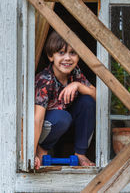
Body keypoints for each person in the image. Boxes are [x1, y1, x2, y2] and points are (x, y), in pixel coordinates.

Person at [34, 31, 96, 169]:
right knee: (62, 116)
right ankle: (41, 150)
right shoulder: (45, 80)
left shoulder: (75, 73)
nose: (67, 58)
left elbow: (97, 95)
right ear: (51, 56)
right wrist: (31, 153)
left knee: (87, 101)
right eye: (61, 53)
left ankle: (80, 154)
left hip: (66, 125)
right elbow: (36, 119)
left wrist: (78, 85)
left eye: (73, 53)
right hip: (47, 126)